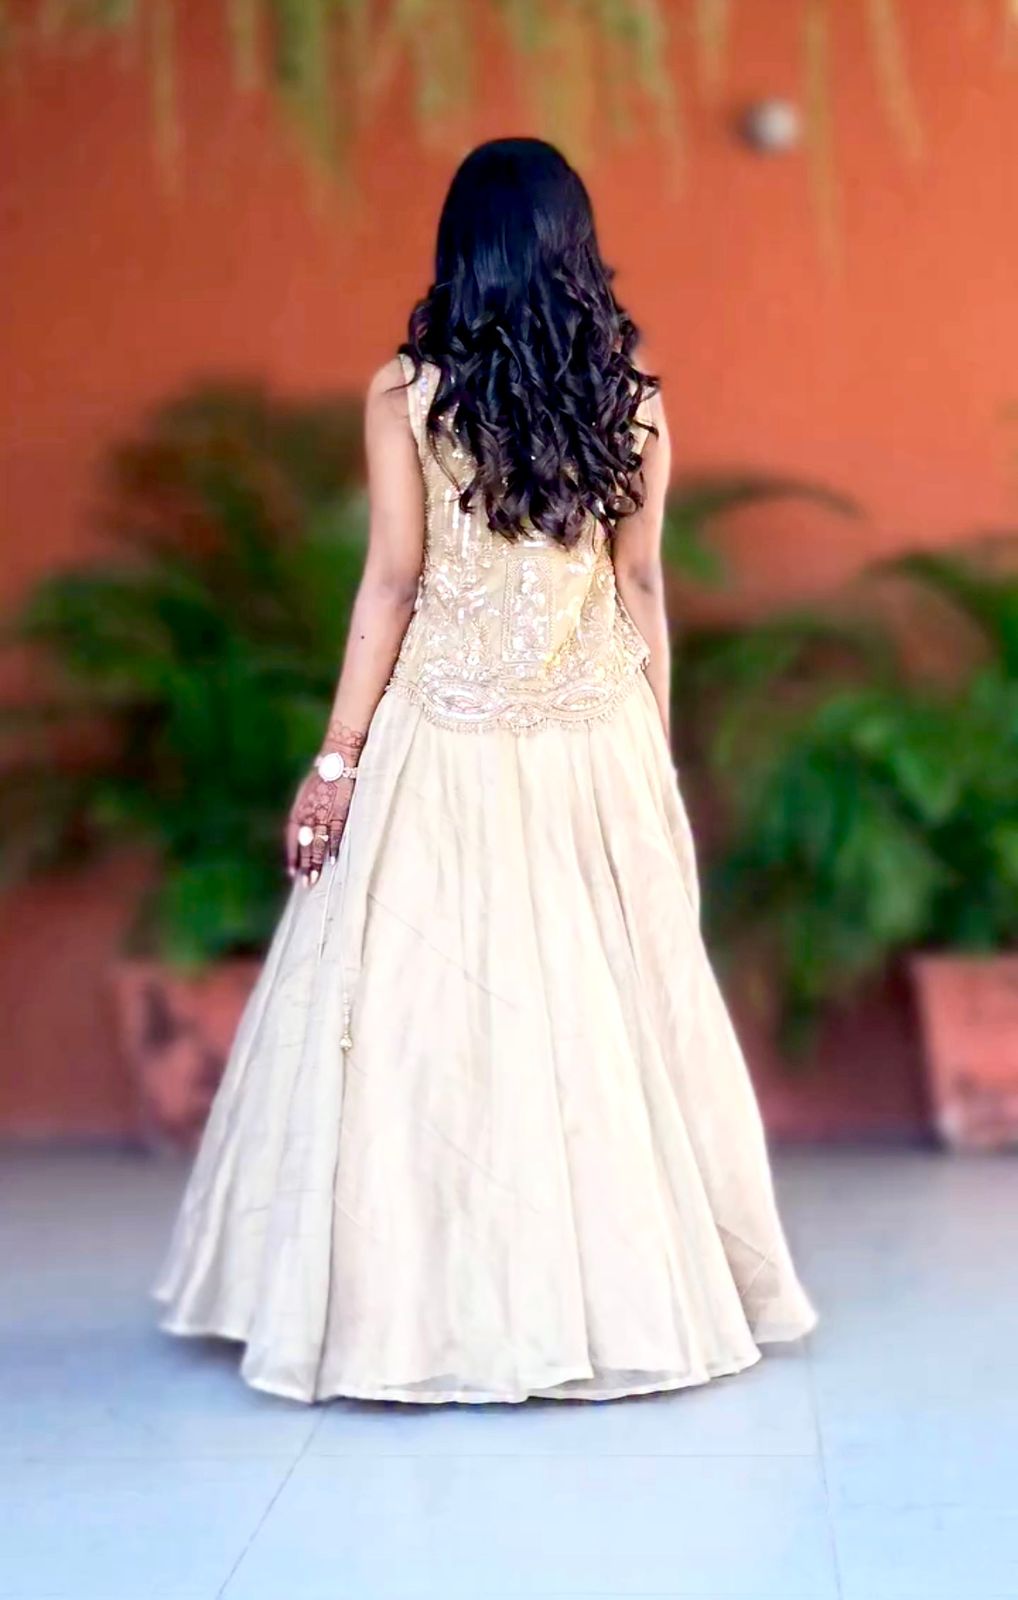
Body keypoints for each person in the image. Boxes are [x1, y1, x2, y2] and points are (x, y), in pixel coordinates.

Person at [155, 137, 816, 1405]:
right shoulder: (628, 396)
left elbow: (391, 584)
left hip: (443, 739)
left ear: (460, 250)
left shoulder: (409, 392)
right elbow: (639, 583)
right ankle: (604, 1301)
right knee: (601, 1020)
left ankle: (419, 1312)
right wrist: (654, 752)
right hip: (588, 736)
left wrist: (335, 759)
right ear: (575, 246)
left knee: (422, 1023)